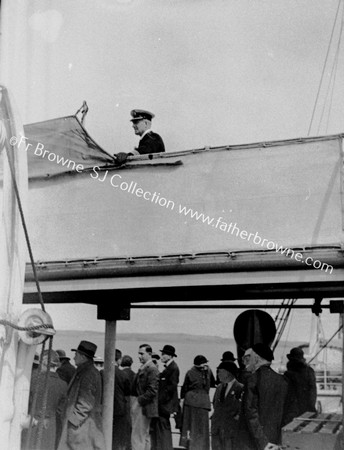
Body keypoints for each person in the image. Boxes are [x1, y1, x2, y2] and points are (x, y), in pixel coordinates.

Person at [237, 343, 289, 450]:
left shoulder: (253, 379)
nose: (247, 362)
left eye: (249, 357)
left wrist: (263, 443)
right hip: (275, 441)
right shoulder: (282, 380)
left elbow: (251, 413)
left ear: (256, 358)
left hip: (255, 443)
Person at [57, 340, 105, 450]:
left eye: (76, 355)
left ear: (83, 357)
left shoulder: (88, 374)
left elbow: (86, 403)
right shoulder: (85, 371)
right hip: (81, 427)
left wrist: (72, 422)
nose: (73, 358)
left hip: (81, 428)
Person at [25, 349, 68, 450]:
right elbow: (61, 410)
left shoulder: (33, 379)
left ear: (43, 363)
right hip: (50, 427)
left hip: (32, 423)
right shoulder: (63, 385)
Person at [180, 355, 216, 450]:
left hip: (190, 401)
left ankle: (191, 446)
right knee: (203, 429)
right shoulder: (208, 371)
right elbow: (213, 383)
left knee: (191, 427)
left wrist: (181, 400)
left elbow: (184, 388)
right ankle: (202, 447)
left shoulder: (190, 372)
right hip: (203, 402)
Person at [131, 344, 160, 450]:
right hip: (144, 407)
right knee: (144, 436)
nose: (139, 356)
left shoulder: (151, 369)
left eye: (142, 354)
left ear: (150, 354)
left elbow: (152, 391)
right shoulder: (147, 368)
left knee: (137, 437)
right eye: (139, 353)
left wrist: (138, 401)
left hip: (143, 407)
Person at [151, 345, 180, 450]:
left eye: (164, 354)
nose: (161, 356)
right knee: (162, 428)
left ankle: (165, 447)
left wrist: (161, 401)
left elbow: (171, 388)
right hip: (164, 405)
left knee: (163, 428)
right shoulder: (170, 367)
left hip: (164, 405)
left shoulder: (173, 368)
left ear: (170, 356)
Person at [211, 361, 243, 450]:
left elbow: (242, 409)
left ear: (227, 373)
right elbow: (215, 404)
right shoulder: (219, 387)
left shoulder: (240, 388)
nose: (218, 374)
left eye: (220, 372)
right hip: (217, 430)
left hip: (231, 432)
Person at [283, 347, 317, 419]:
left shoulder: (288, 375)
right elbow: (313, 391)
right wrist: (311, 407)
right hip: (307, 408)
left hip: (292, 411)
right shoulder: (310, 371)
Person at [112, 349, 132, 450]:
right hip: (120, 409)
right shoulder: (123, 375)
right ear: (119, 360)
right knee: (118, 438)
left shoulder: (102, 372)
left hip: (106, 409)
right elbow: (127, 392)